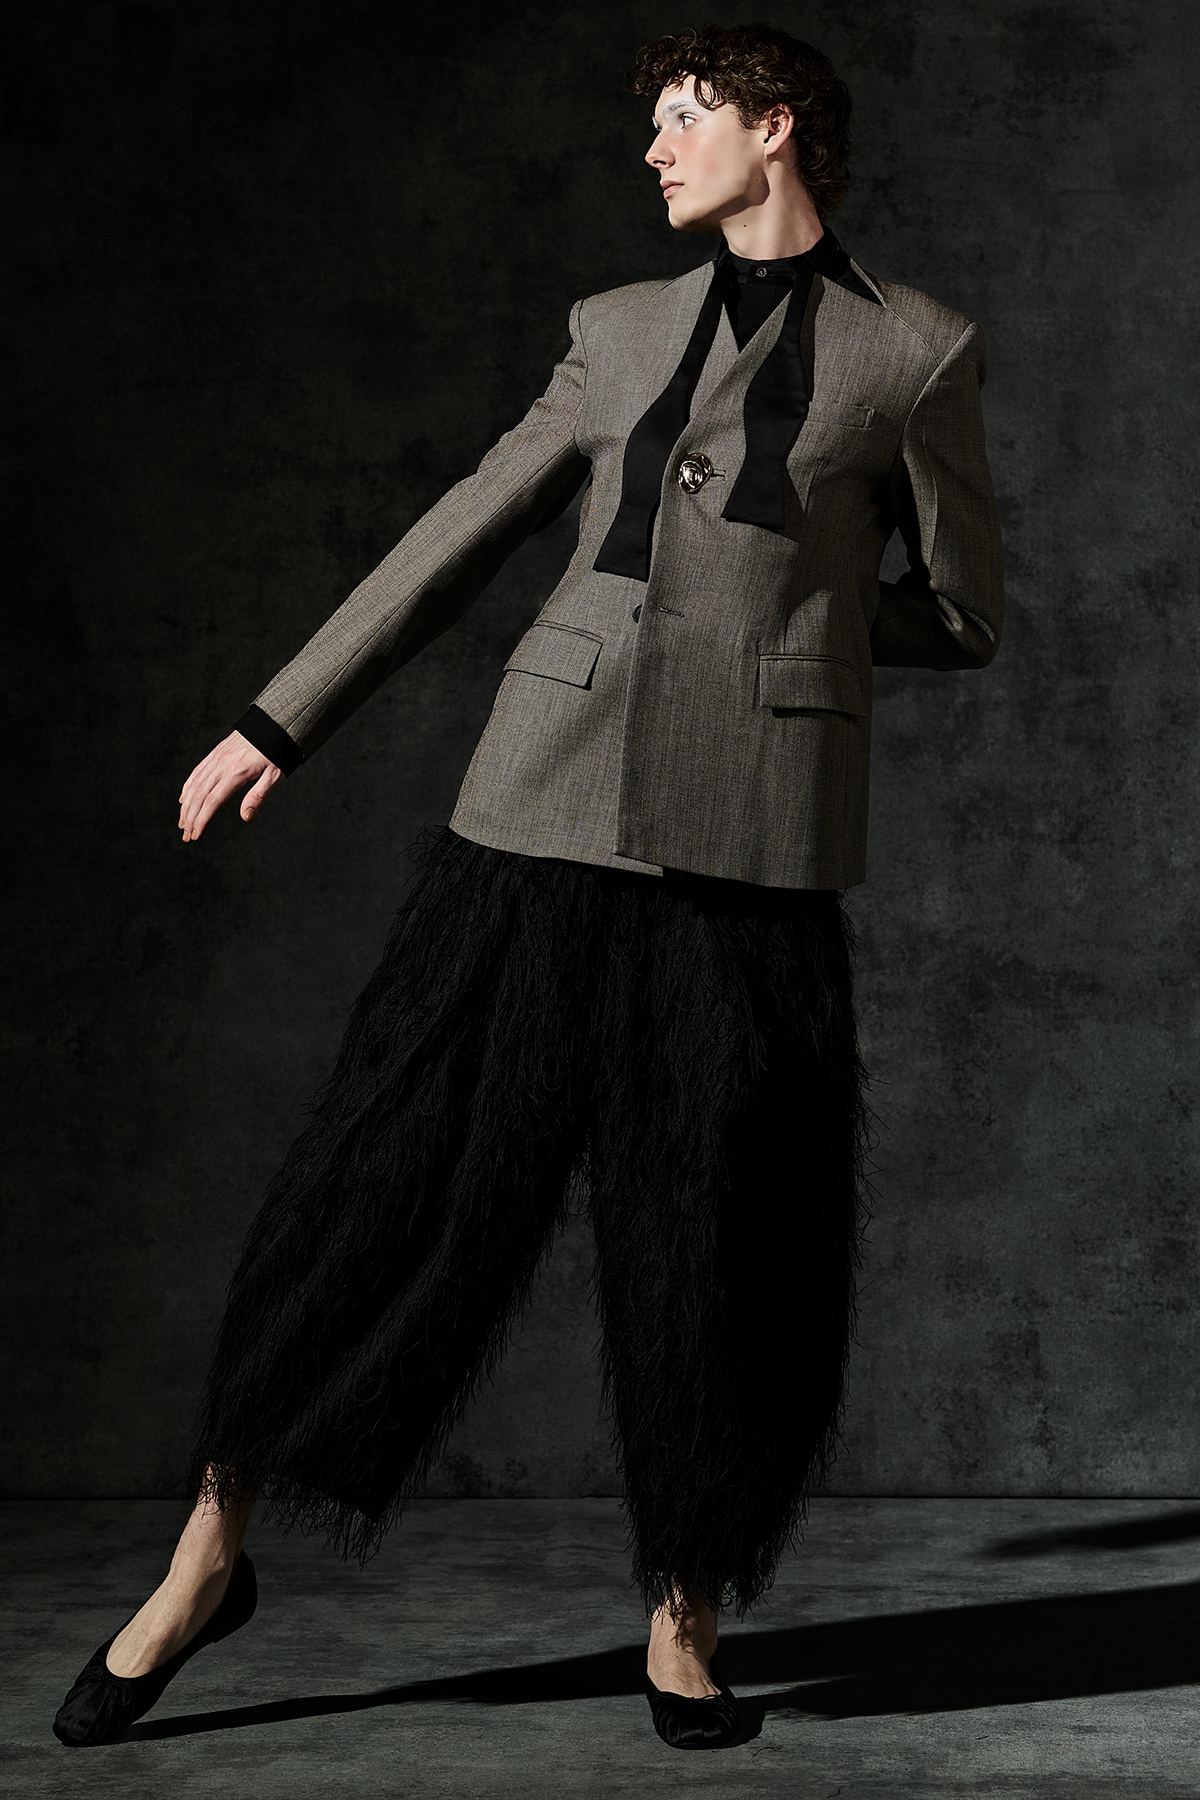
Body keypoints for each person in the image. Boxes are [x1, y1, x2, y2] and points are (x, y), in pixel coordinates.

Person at [54, 22, 1003, 1753]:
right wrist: (279, 717)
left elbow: (963, 609)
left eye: (685, 119)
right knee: (380, 1186)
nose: (654, 149)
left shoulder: (916, 351)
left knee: (716, 1239)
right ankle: (207, 1556)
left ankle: (684, 1617)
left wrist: (788, 626)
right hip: (538, 801)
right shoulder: (616, 327)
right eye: (654, 123)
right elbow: (460, 527)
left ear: (776, 127)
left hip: (752, 844)